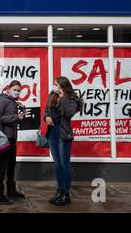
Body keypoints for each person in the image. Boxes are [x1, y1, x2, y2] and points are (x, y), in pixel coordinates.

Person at [44, 76, 82, 206]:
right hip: (52, 132)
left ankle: (66, 194)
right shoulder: (52, 95)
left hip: (63, 133)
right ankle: (59, 191)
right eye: (55, 84)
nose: (55, 87)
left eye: (57, 85)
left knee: (65, 164)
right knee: (57, 164)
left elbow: (69, 113)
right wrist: (47, 117)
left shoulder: (72, 99)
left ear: (64, 86)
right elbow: (46, 110)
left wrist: (63, 98)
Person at [0, 80, 26, 204]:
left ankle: (11, 190)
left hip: (12, 137)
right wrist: (16, 117)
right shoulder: (2, 99)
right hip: (3, 137)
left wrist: (22, 109)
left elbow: (18, 119)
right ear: (9, 88)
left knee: (12, 164)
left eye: (19, 90)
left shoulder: (14, 101)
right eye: (15, 89)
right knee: (3, 165)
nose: (17, 92)